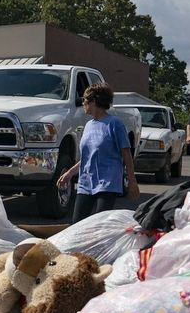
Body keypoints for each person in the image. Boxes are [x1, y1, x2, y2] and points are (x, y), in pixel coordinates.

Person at [56, 83, 138, 223]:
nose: (83, 103)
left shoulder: (114, 124)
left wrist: (132, 181)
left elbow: (126, 154)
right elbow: (87, 158)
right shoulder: (88, 125)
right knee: (77, 224)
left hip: (107, 183)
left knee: (99, 224)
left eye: (85, 100)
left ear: (94, 101)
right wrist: (69, 174)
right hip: (86, 183)